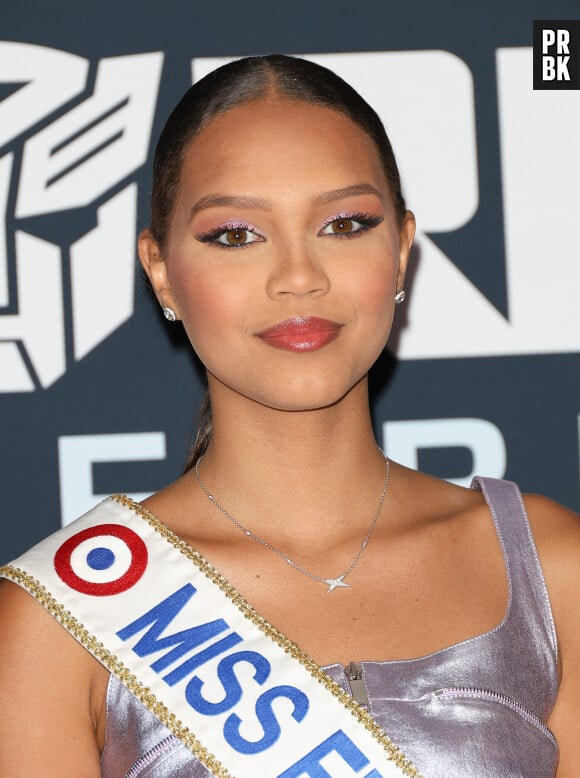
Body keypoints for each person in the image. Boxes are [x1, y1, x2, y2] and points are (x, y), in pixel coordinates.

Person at [0, 54, 578, 778]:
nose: (299, 276)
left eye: (344, 223)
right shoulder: (61, 620)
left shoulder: (556, 574)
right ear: (160, 270)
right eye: (236, 235)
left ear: (400, 250)